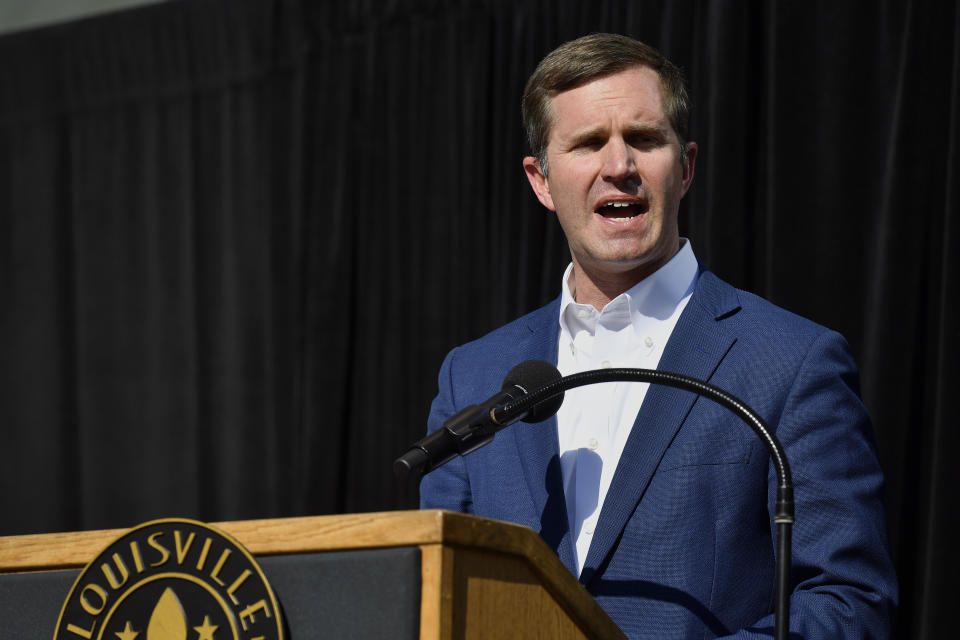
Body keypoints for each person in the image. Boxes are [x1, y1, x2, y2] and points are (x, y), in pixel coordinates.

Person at [419, 33, 897, 638]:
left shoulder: (793, 361)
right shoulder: (475, 374)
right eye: (589, 143)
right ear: (541, 180)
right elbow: (435, 592)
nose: (619, 167)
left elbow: (850, 603)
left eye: (644, 140)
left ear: (687, 166)